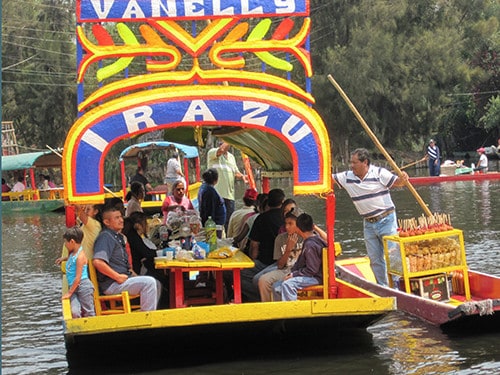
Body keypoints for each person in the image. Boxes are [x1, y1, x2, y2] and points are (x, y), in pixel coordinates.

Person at [332, 148, 408, 286]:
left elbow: (398, 183)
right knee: (375, 259)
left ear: (365, 162)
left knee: (393, 256)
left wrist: (403, 178)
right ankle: (383, 287)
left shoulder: (379, 173)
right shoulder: (347, 177)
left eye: (354, 162)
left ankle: (399, 286)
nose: (352, 165)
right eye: (351, 162)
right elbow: (328, 179)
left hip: (387, 219)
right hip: (368, 223)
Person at [93, 205, 160, 311]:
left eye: (120, 217)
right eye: (116, 218)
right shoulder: (105, 237)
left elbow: (127, 267)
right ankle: (147, 318)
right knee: (149, 283)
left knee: (156, 283)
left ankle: (147, 312)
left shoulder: (117, 236)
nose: (121, 220)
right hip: (113, 284)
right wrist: (117, 277)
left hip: (123, 280)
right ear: (106, 222)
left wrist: (135, 276)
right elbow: (98, 262)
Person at [241, 188, 285, 301]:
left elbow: (254, 246)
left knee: (241, 275)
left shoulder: (261, 218)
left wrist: (252, 261)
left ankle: (258, 297)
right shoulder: (285, 219)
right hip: (275, 262)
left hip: (269, 261)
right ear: (282, 202)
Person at [272, 213, 326, 301]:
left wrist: (294, 275)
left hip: (315, 277)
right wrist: (291, 273)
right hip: (310, 274)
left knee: (288, 284)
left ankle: (292, 311)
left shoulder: (310, 245)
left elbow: (312, 270)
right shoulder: (313, 239)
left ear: (298, 228)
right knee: (276, 286)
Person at [258, 210, 303, 302]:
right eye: (286, 223)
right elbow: (280, 265)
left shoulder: (305, 237)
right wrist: (288, 249)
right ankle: (268, 308)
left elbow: (327, 240)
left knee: (278, 286)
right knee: (263, 280)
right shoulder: (280, 238)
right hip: (285, 270)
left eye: (290, 224)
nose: (287, 227)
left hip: (300, 271)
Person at [56, 226, 95, 318]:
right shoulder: (73, 253)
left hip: (83, 286)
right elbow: (71, 259)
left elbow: (78, 278)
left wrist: (69, 293)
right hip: (73, 286)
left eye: (66, 242)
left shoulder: (80, 257)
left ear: (72, 242)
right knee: (75, 311)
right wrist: (63, 259)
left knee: (88, 311)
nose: (65, 244)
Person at [207, 142, 247, 230]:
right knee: (217, 222)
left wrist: (242, 176)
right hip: (217, 194)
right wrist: (230, 138)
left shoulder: (231, 157)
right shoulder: (212, 153)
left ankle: (226, 241)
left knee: (228, 222)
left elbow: (236, 172)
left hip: (230, 196)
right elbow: (221, 150)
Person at [123, 212, 168, 289]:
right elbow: (147, 253)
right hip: (136, 270)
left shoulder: (132, 235)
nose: (147, 226)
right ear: (138, 225)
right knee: (160, 279)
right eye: (145, 223)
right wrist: (162, 253)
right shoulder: (133, 236)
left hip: (136, 267)